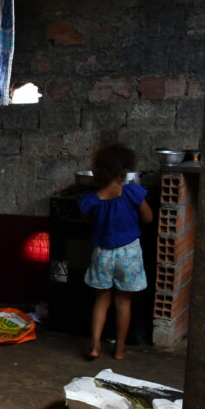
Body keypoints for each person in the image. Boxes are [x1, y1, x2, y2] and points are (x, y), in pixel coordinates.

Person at [79, 143, 153, 361]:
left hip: (102, 253)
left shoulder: (91, 199)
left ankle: (95, 346)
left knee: (101, 299)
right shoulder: (132, 193)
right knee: (123, 302)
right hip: (128, 253)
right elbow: (148, 218)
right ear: (123, 172)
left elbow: (87, 220)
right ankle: (120, 349)